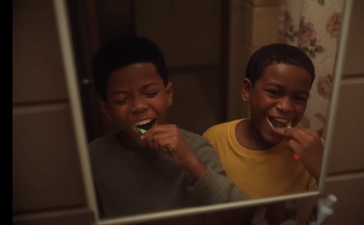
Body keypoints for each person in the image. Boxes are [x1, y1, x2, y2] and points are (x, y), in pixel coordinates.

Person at [89, 36, 247, 218]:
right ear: (107, 110)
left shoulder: (196, 148)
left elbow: (244, 214)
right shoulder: (96, 156)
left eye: (150, 93)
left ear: (168, 95)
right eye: (122, 100)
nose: (139, 106)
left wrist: (191, 162)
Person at [203, 43, 323, 199]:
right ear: (247, 90)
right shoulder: (214, 140)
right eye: (274, 92)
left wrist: (321, 170)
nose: (286, 107)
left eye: (299, 98)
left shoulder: (314, 151)